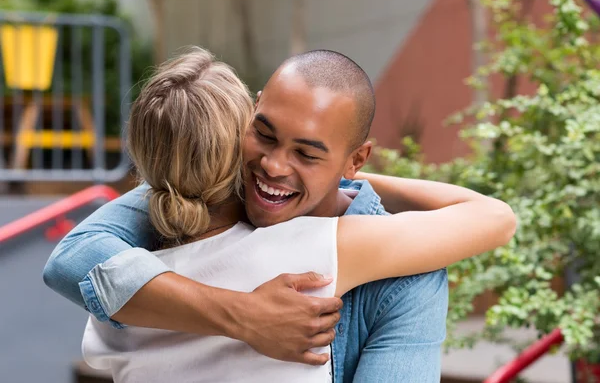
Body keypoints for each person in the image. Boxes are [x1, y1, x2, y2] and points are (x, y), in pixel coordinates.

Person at [44, 48, 516, 382]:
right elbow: (494, 218)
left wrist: (346, 178)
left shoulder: (135, 272)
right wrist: (243, 315)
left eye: (307, 153)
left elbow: (77, 261)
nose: (272, 166)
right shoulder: (324, 246)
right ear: (247, 116)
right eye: (264, 136)